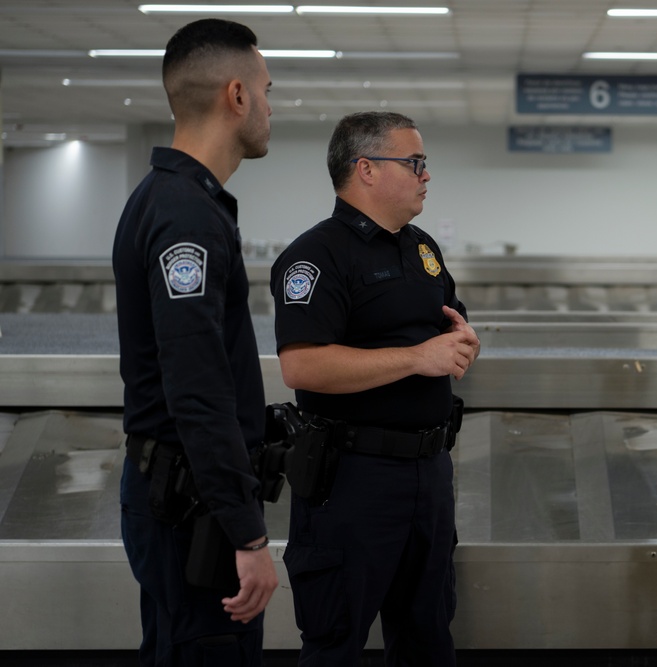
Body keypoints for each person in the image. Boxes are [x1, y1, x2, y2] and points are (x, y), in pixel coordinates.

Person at [269, 110, 478, 666]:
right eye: (414, 163)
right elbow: (303, 367)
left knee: (428, 637)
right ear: (365, 169)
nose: (425, 175)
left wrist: (461, 339)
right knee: (336, 641)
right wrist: (418, 358)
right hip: (352, 481)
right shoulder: (316, 256)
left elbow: (446, 322)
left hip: (428, 475)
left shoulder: (421, 247)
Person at [112, 18, 278, 666]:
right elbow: (197, 383)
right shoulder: (186, 214)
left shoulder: (166, 199)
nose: (271, 105)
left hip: (176, 497)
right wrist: (247, 532)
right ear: (235, 95)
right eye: (267, 89)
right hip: (191, 512)